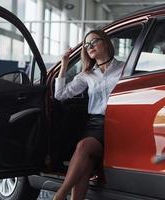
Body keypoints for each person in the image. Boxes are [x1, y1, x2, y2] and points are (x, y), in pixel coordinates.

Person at [53, 29, 125, 200]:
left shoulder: (124, 68)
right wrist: (64, 64)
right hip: (95, 124)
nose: (89, 46)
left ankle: (60, 194)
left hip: (120, 123)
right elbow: (60, 94)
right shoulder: (87, 75)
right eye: (86, 45)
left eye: (94, 42)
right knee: (85, 155)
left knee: (84, 152)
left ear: (106, 43)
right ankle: (63, 195)